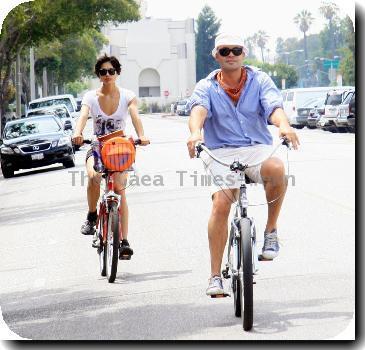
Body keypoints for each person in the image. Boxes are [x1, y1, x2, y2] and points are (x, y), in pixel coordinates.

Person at [186, 33, 300, 296]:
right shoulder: (206, 86)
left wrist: (284, 126)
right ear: (216, 55)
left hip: (256, 148)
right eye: (224, 51)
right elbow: (198, 111)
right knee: (222, 203)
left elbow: (273, 106)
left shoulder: (260, 79)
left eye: (236, 50)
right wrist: (195, 133)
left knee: (277, 170)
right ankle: (215, 276)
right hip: (221, 152)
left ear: (244, 53)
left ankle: (271, 231)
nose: (231, 55)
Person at [72, 54, 149, 260]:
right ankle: (91, 216)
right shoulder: (90, 97)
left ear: (117, 73)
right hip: (97, 146)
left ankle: (124, 240)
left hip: (119, 148)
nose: (107, 75)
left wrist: (141, 135)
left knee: (120, 192)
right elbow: (83, 116)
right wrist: (78, 133)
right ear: (98, 75)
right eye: (103, 72)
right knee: (93, 175)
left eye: (111, 71)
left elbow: (135, 115)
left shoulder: (128, 96)